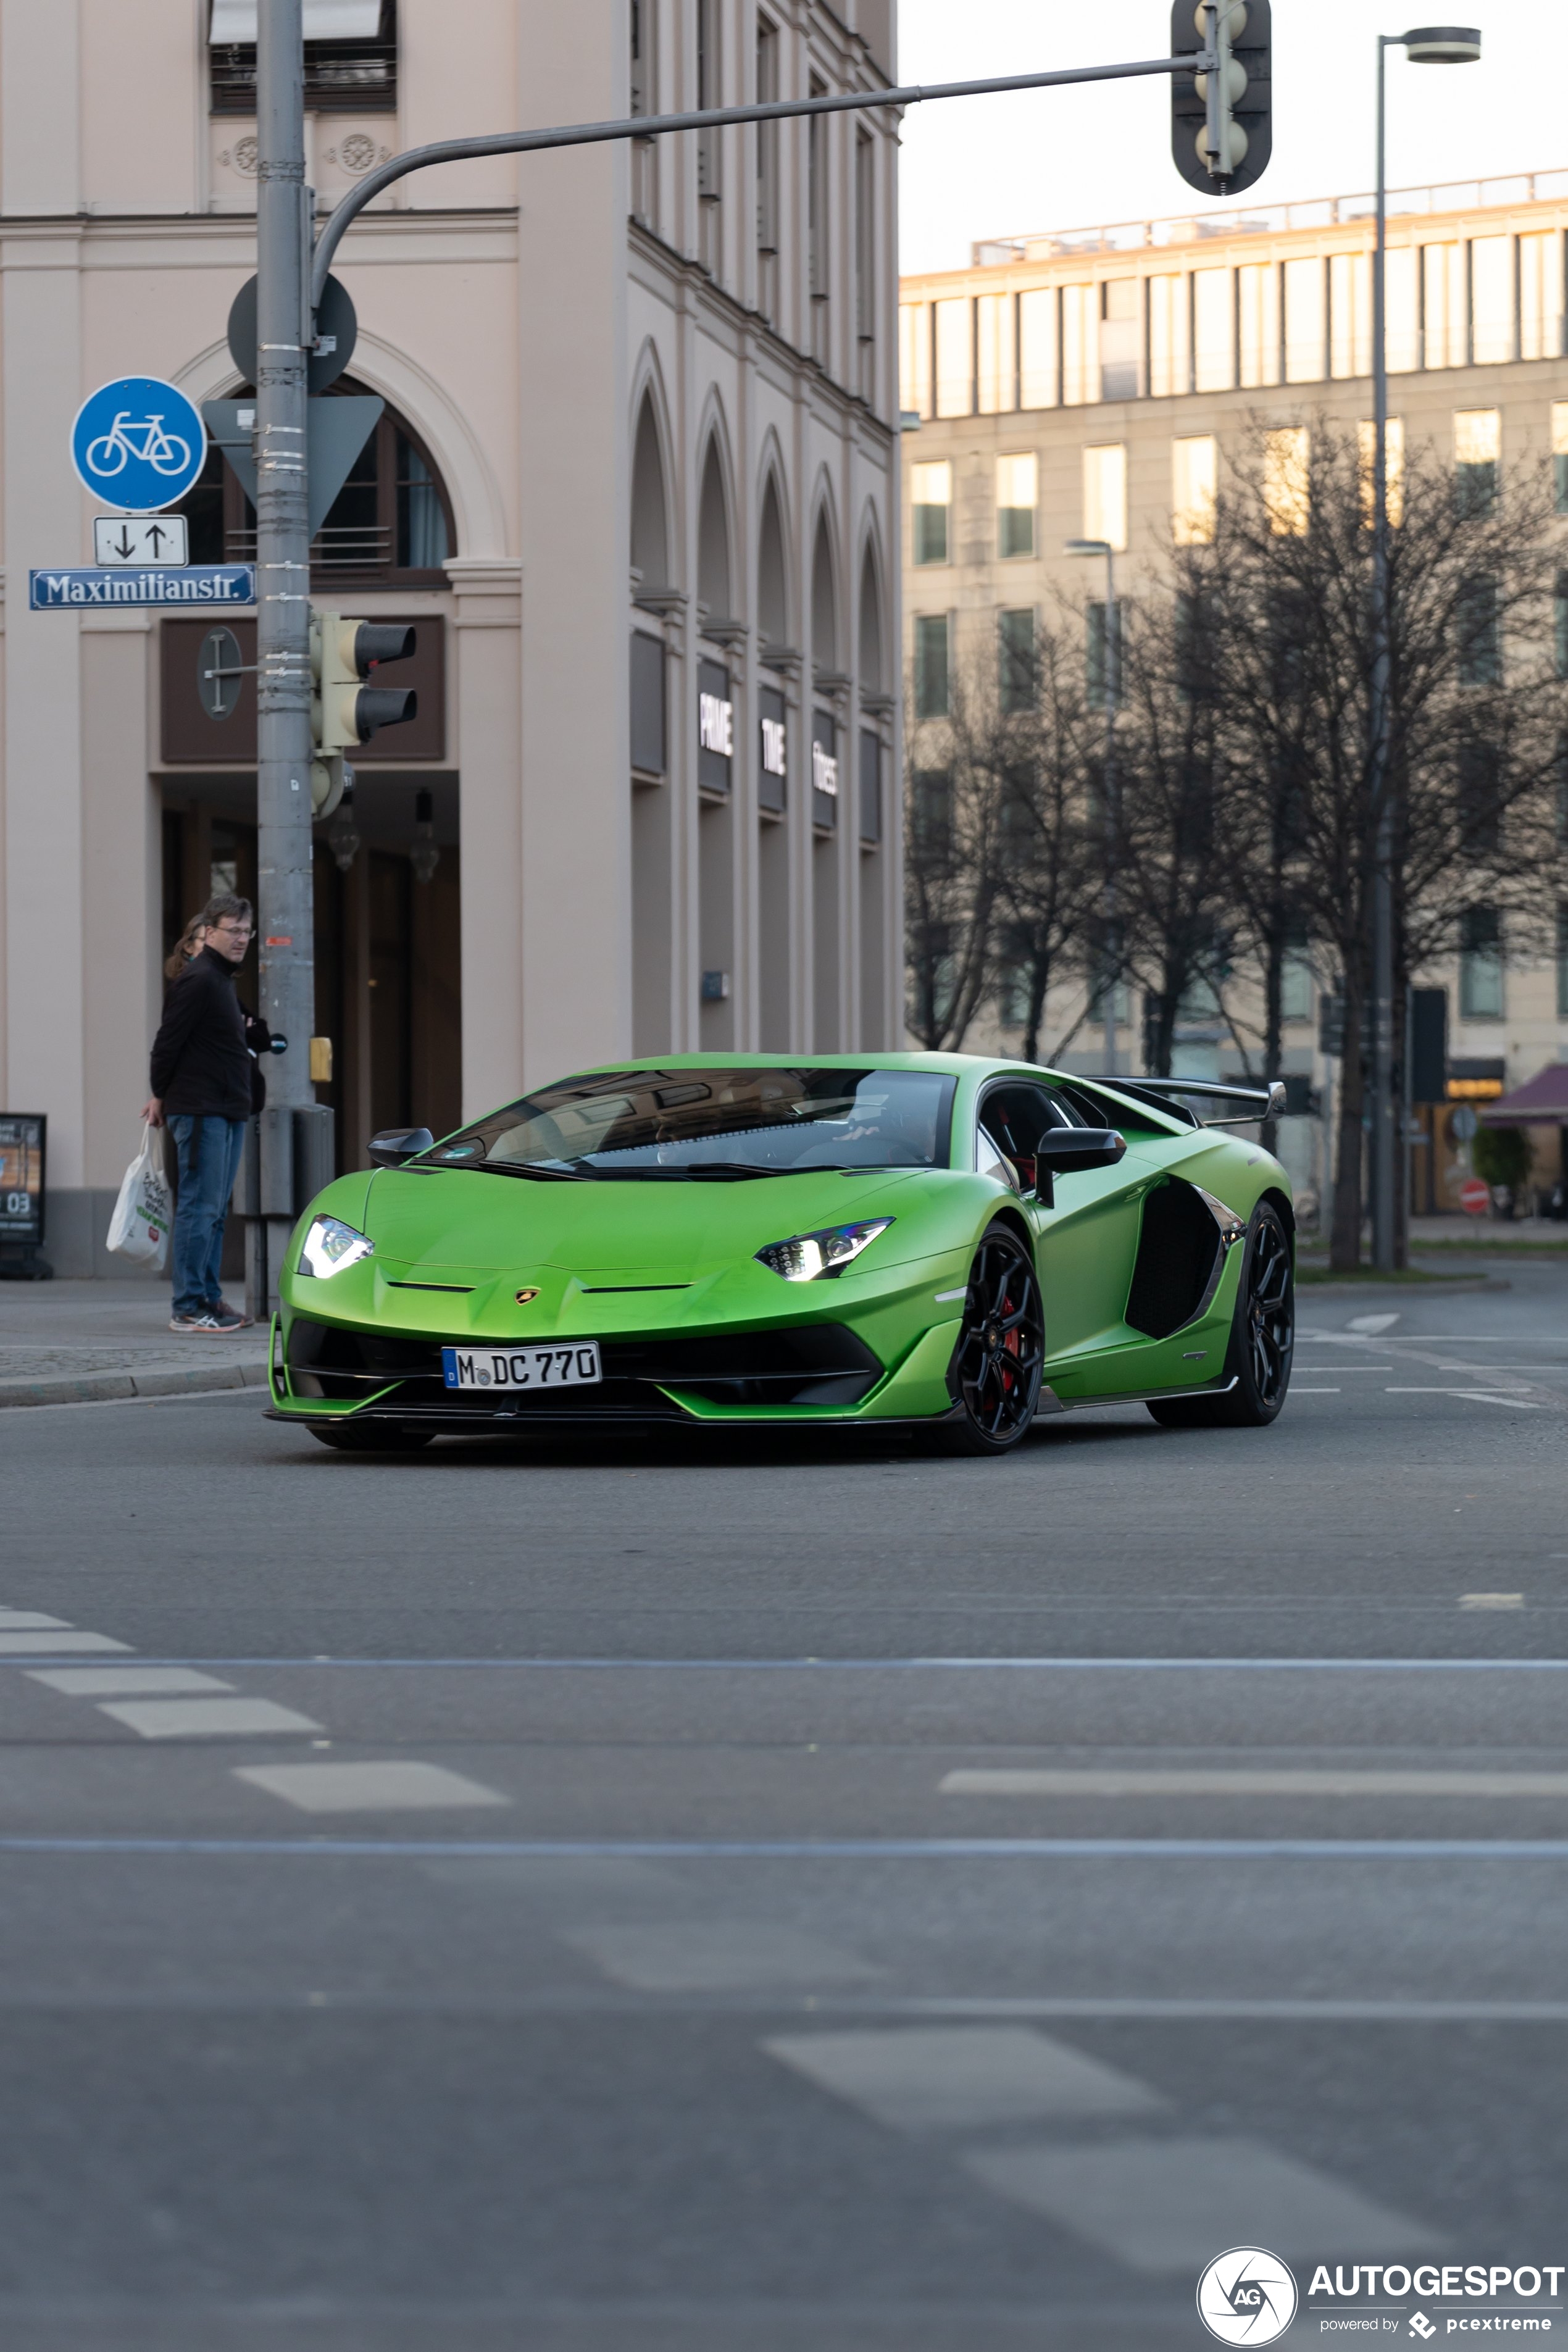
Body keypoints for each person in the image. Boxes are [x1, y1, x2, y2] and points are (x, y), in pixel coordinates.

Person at [141, 893, 271, 1334]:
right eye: (233, 930)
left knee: (214, 1210)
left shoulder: (221, 982)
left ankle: (209, 1298)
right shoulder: (198, 981)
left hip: (227, 1109)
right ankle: (189, 1306)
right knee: (200, 1207)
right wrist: (160, 1094)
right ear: (209, 932)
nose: (241, 939)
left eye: (246, 931)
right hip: (201, 1110)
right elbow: (167, 1044)